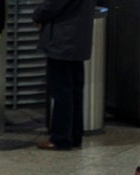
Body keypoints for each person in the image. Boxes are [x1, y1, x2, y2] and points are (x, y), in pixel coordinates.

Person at [33, 0, 95, 150]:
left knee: (62, 92)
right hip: (78, 38)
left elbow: (53, 5)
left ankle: (60, 139)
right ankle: (74, 136)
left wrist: (37, 14)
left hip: (64, 39)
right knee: (75, 91)